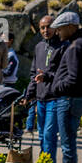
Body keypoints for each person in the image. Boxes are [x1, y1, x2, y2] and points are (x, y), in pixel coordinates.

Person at [39, 11, 82, 163]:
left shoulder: (76, 46)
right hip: (80, 96)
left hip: (70, 99)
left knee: (67, 144)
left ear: (71, 27)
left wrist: (55, 88)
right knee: (69, 142)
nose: (57, 32)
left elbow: (72, 79)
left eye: (60, 28)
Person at [28, 14, 56, 150]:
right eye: (42, 28)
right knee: (41, 135)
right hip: (40, 98)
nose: (46, 30)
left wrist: (46, 76)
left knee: (48, 135)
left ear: (55, 27)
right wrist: (29, 95)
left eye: (49, 27)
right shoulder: (39, 47)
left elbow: (64, 73)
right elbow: (33, 73)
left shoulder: (62, 46)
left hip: (54, 98)